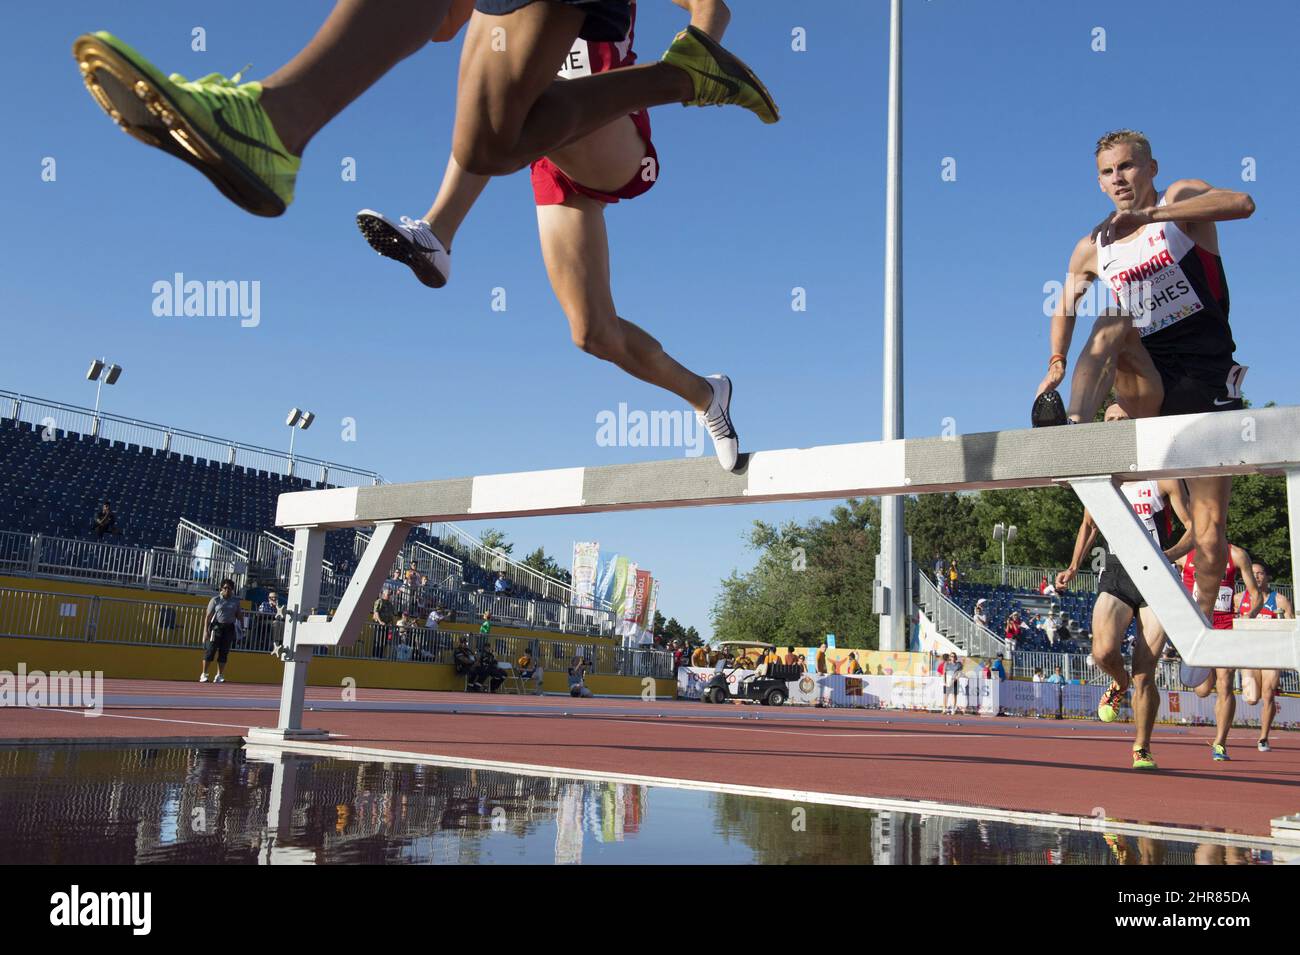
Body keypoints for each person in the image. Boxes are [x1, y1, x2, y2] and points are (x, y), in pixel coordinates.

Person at [359, 1, 749, 471]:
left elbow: (713, 7)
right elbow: (443, 28)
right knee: (593, 333)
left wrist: (690, 63)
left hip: (610, 136)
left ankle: (440, 230)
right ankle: (707, 395)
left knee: (509, 95)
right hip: (545, 155)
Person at [74, 0, 778, 216]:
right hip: (557, 86)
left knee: (495, 147)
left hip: (618, 138)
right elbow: (439, 21)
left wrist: (701, 33)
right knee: (487, 146)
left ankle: (683, 76)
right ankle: (272, 125)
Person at [1032, 129, 1256, 642]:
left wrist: (1154, 217)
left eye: (1128, 167)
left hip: (1205, 379)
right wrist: (1056, 361)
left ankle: (1202, 628)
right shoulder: (1095, 245)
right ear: (1099, 182)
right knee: (1111, 320)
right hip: (1147, 380)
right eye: (1109, 172)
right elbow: (1066, 301)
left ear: (1151, 168)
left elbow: (1244, 202)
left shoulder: (1179, 200)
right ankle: (1074, 433)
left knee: (1210, 532)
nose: (1120, 179)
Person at [1056, 411, 1195, 769]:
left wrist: (1168, 556)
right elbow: (1087, 526)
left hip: (1157, 577)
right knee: (1103, 651)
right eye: (1109, 418)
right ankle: (1117, 684)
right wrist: (1073, 567)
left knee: (1145, 672)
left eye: (1123, 417)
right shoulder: (1102, 480)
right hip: (1117, 573)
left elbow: (1194, 529)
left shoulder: (1162, 476)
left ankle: (1141, 747)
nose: (1116, 422)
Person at [1178, 541, 1262, 761]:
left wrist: (1249, 616)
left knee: (1225, 683)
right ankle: (1206, 676)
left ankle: (1220, 743)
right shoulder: (1184, 554)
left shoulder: (1237, 555)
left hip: (1226, 628)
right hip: (1198, 629)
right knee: (1202, 689)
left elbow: (1256, 596)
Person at [1235, 561, 1294, 752]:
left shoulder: (1280, 601)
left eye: (1260, 573)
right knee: (1252, 698)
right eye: (1253, 574)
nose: (1257, 577)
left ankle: (1263, 737)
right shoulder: (1238, 599)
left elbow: (1292, 628)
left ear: (1267, 577)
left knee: (1268, 694)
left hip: (1271, 655)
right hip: (1249, 655)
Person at [199, 578, 243, 684]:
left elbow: (239, 616)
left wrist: (242, 625)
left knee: (224, 652)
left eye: (230, 588)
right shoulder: (215, 600)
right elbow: (208, 617)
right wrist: (205, 631)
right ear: (221, 588)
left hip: (229, 628)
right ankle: (204, 674)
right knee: (211, 650)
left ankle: (219, 675)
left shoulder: (235, 601)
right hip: (217, 627)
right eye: (225, 588)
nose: (227, 590)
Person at [372, 587, 398, 658]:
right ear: (384, 594)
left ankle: (380, 656)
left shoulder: (390, 604)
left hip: (386, 625)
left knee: (384, 642)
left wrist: (393, 624)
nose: (389, 596)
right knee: (378, 641)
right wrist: (380, 621)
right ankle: (375, 656)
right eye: (388, 594)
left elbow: (392, 615)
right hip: (379, 625)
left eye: (390, 595)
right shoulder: (379, 601)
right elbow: (376, 612)